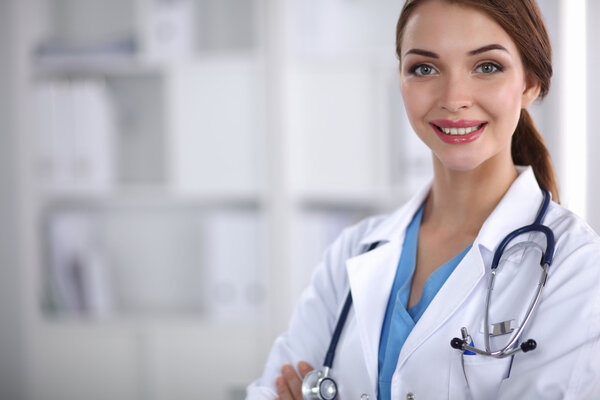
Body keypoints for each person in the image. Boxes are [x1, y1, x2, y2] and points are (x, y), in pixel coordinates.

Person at [247, 0, 600, 398]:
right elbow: (267, 390)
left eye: (487, 66)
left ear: (530, 83)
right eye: (424, 68)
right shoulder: (354, 249)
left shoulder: (577, 265)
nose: (453, 97)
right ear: (400, 79)